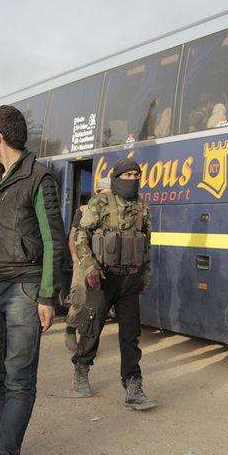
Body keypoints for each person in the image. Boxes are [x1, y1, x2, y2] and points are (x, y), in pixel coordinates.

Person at [0, 104, 65, 455]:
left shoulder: (39, 178)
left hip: (24, 289)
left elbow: (53, 239)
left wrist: (47, 296)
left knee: (19, 378)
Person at [71, 158, 156, 411]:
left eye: (135, 175)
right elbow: (81, 236)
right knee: (92, 327)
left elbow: (147, 244)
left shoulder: (143, 208)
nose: (131, 179)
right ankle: (82, 368)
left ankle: (133, 386)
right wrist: (89, 267)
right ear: (117, 177)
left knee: (131, 335)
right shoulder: (101, 203)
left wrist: (144, 276)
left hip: (130, 280)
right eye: (127, 175)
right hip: (103, 278)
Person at [63, 176, 111, 352]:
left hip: (102, 263)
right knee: (80, 297)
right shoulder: (83, 210)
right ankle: (70, 329)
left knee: (96, 304)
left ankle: (86, 341)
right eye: (104, 192)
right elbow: (73, 236)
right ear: (97, 191)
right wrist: (75, 258)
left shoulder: (112, 210)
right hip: (83, 261)